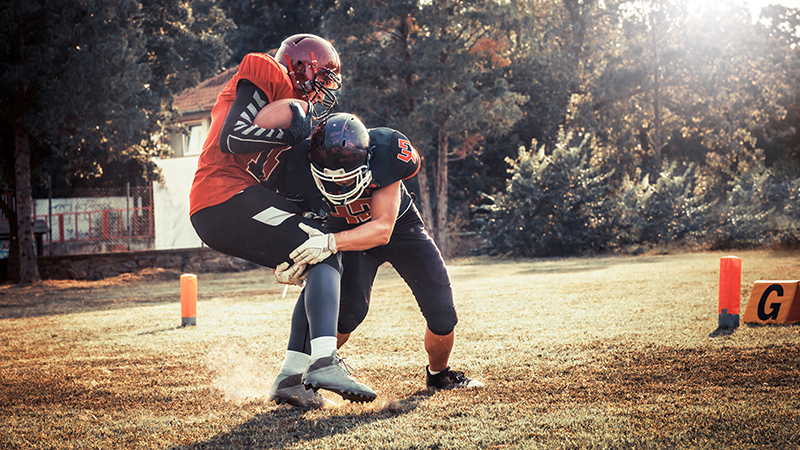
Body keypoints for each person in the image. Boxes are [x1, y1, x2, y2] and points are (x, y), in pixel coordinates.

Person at [188, 34, 376, 404]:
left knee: (319, 246)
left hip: (233, 202)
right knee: (319, 247)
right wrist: (291, 132)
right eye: (322, 79)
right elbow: (232, 138)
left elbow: (279, 183)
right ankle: (324, 360)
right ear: (302, 67)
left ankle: (290, 378)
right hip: (221, 194)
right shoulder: (267, 71)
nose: (322, 92)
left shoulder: (294, 112)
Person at [269, 113, 483, 408]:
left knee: (442, 312)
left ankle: (439, 375)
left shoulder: (385, 149)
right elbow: (282, 219)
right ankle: (306, 376)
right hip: (345, 230)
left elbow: (383, 229)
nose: (340, 186)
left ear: (368, 159)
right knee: (347, 314)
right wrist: (280, 258)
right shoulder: (298, 165)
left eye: (347, 176)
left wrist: (330, 242)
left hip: (399, 228)